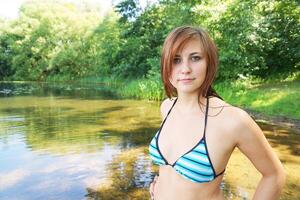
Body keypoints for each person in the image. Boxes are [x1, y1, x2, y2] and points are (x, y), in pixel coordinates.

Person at [148, 26, 286, 200]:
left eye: (195, 58)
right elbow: (171, 171)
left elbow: (274, 175)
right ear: (166, 65)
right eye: (176, 60)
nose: (185, 69)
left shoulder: (232, 120)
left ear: (209, 63)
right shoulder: (167, 107)